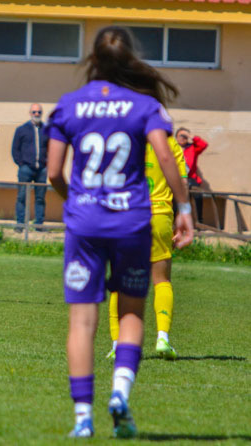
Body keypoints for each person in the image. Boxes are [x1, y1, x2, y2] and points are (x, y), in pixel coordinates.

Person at [46, 26, 193, 439]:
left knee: (82, 320)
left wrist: (75, 199)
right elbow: (166, 157)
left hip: (85, 222)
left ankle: (82, 418)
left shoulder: (70, 104)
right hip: (131, 222)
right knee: (131, 311)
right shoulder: (145, 104)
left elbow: (54, 172)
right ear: (130, 58)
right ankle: (120, 395)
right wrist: (184, 209)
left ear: (93, 58)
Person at [107, 135, 189, 361]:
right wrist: (183, 214)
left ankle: (117, 344)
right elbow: (182, 182)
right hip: (159, 215)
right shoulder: (170, 143)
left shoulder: (124, 137)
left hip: (127, 215)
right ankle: (162, 337)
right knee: (161, 280)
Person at [12, 103, 49, 232]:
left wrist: (47, 163)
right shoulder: (21, 130)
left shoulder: (46, 130)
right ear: (30, 113)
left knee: (40, 198)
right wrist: (21, 164)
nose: (37, 114)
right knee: (22, 197)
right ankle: (20, 224)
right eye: (34, 112)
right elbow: (15, 149)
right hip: (26, 169)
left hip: (42, 170)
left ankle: (39, 225)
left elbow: (51, 148)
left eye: (39, 112)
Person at [176, 127, 208, 224]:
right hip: (176, 178)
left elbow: (203, 145)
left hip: (191, 178)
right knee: (173, 200)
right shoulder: (173, 148)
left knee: (198, 196)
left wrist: (191, 136)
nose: (183, 138)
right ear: (176, 137)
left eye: (185, 136)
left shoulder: (192, 148)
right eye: (181, 136)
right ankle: (173, 222)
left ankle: (199, 221)